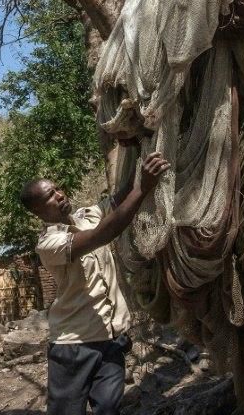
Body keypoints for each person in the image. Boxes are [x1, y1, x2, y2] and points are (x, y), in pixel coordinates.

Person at [20, 151, 170, 415]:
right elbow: (105, 233)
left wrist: (136, 146)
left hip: (111, 340)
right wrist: (143, 188)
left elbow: (119, 197)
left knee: (109, 408)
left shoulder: (87, 215)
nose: (59, 195)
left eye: (57, 189)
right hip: (73, 346)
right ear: (37, 211)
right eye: (50, 196)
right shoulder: (49, 244)